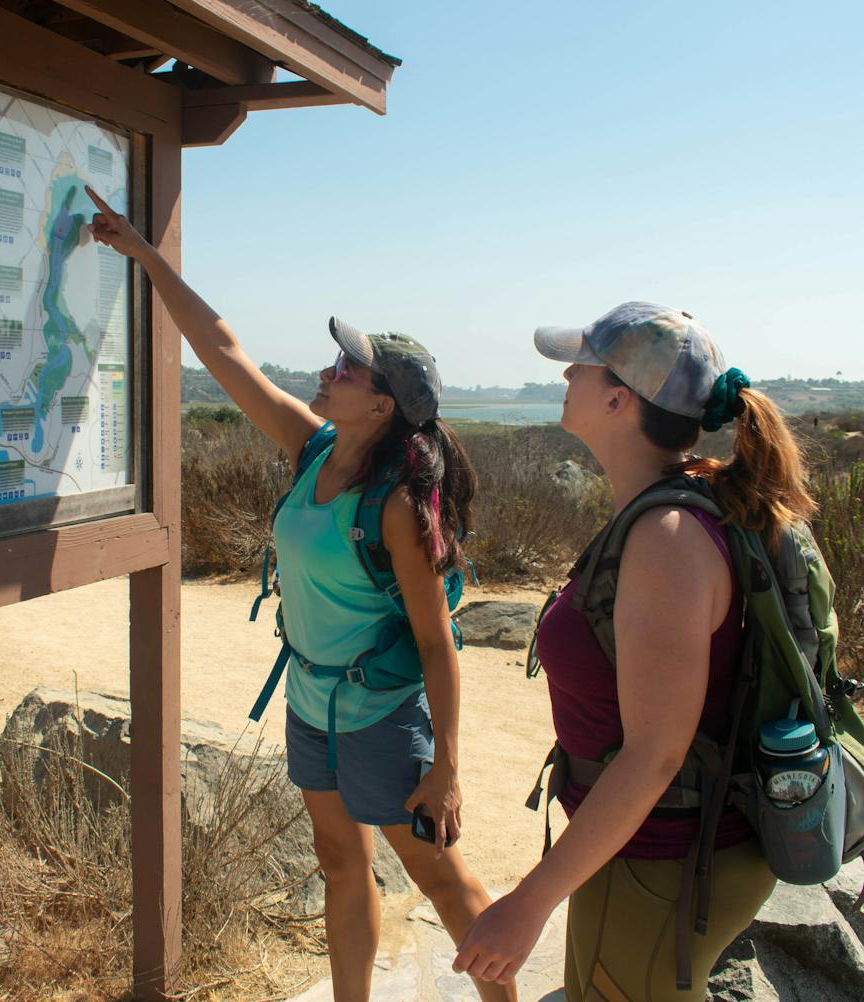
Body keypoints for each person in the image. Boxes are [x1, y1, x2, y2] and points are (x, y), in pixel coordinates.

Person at [84, 187, 517, 1002]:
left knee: (439, 881)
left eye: (348, 368)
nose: (328, 371)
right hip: (312, 699)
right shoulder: (313, 448)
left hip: (383, 712)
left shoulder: (395, 506)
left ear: (382, 406)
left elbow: (437, 642)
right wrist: (146, 257)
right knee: (338, 863)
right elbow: (223, 348)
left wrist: (448, 769)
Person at [453, 302, 803, 998]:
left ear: (619, 398)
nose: (567, 372)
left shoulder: (666, 536)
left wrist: (526, 906)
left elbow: (656, 755)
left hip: (666, 860)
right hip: (636, 851)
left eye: (581, 362)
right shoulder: (667, 506)